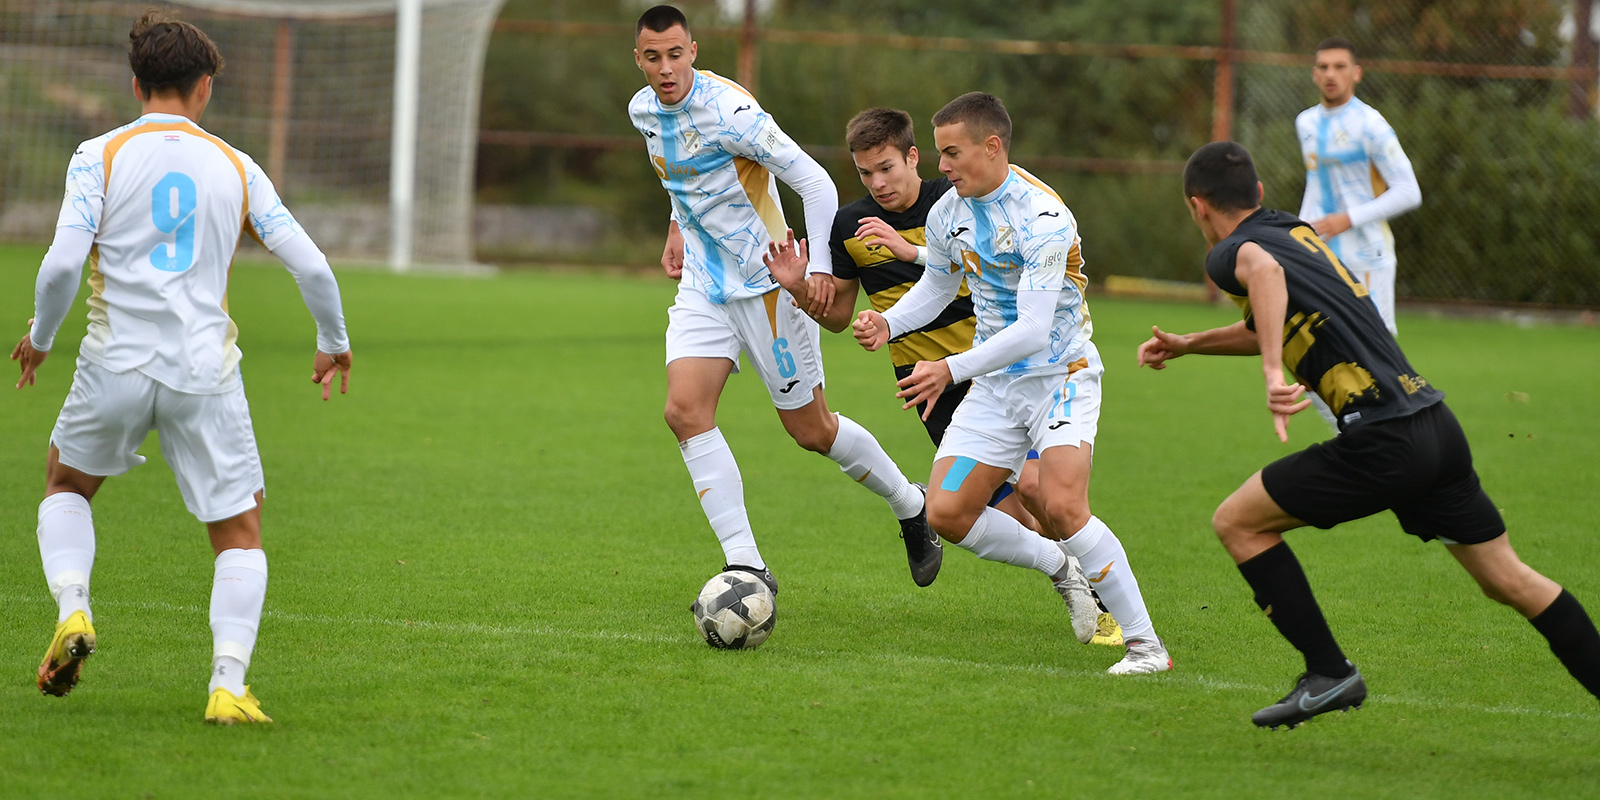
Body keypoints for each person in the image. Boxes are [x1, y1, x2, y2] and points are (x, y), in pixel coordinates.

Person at [1138, 140, 1600, 728]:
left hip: (1382, 439)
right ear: (1258, 194)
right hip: (1434, 425)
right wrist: (1189, 344)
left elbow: (1264, 275)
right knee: (1511, 581)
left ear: (1197, 206)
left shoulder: (1233, 251)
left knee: (1237, 521)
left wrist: (1273, 373)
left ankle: (1330, 672)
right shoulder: (1296, 230)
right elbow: (1274, 315)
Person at [13, 12, 352, 724]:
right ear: (204, 88)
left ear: (137, 84)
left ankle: (75, 611)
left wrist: (42, 338)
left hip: (113, 363)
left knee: (66, 483)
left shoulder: (97, 155)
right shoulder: (236, 164)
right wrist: (333, 340)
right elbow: (313, 265)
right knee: (238, 532)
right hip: (205, 372)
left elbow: (63, 263)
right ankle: (227, 686)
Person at [848, 92, 1169, 674]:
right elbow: (941, 286)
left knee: (1063, 503)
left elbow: (1033, 331)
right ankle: (1059, 565)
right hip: (996, 389)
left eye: (952, 153)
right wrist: (888, 321)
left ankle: (1147, 648)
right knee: (946, 513)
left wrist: (949, 368)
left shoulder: (1043, 217)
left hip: (1059, 378)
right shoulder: (950, 212)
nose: (942, 167)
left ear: (991, 147)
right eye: (940, 154)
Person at [628, 5, 938, 595]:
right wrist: (675, 225)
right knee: (683, 411)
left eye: (675, 54)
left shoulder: (734, 111)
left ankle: (910, 504)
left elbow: (817, 182)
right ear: (638, 59)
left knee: (812, 432)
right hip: (703, 285)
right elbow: (682, 177)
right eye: (652, 57)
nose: (665, 68)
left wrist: (819, 269)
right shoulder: (643, 111)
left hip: (768, 286)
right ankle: (746, 564)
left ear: (693, 50)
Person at [806, 106, 1118, 646]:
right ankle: (1065, 573)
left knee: (1046, 497)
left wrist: (912, 250)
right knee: (1007, 515)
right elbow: (842, 312)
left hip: (994, 367)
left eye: (886, 168)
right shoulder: (850, 226)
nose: (878, 183)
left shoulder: (954, 196)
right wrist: (805, 288)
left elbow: (978, 267)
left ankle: (1109, 602)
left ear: (913, 157)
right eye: (865, 173)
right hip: (932, 387)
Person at [1298, 37, 1421, 429]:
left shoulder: (1371, 124)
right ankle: (1353, 441)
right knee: (1318, 351)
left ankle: (1393, 442)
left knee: (1377, 357)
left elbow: (1408, 191)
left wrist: (1347, 219)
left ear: (1356, 73)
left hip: (1369, 257)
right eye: (1323, 67)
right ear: (1314, 73)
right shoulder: (1306, 122)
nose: (1330, 74)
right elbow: (1315, 187)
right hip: (1322, 257)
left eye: (1339, 66)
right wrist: (1298, 236)